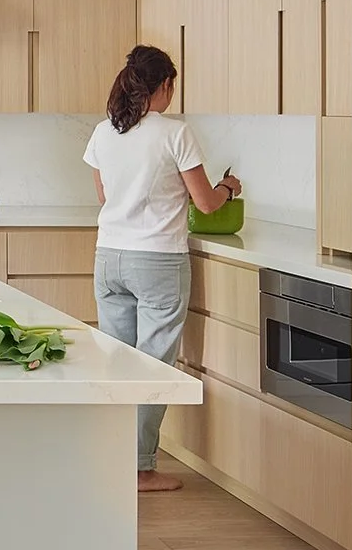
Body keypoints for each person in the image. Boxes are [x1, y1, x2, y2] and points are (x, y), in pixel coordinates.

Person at [84, 44, 242, 493]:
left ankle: (111, 459)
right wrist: (229, 187)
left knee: (117, 362)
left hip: (109, 257)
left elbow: (105, 198)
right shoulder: (175, 133)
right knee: (152, 367)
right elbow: (207, 204)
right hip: (156, 262)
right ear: (164, 86)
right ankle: (140, 468)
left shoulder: (104, 132)